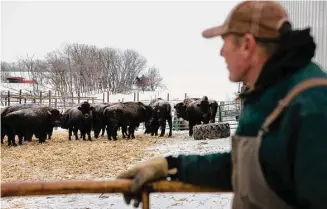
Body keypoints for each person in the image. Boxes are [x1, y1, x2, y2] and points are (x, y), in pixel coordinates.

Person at [116, 1, 327, 208]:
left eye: (224, 41)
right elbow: (244, 168)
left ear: (247, 45)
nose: (221, 52)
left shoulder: (312, 105)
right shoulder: (266, 93)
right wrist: (170, 166)